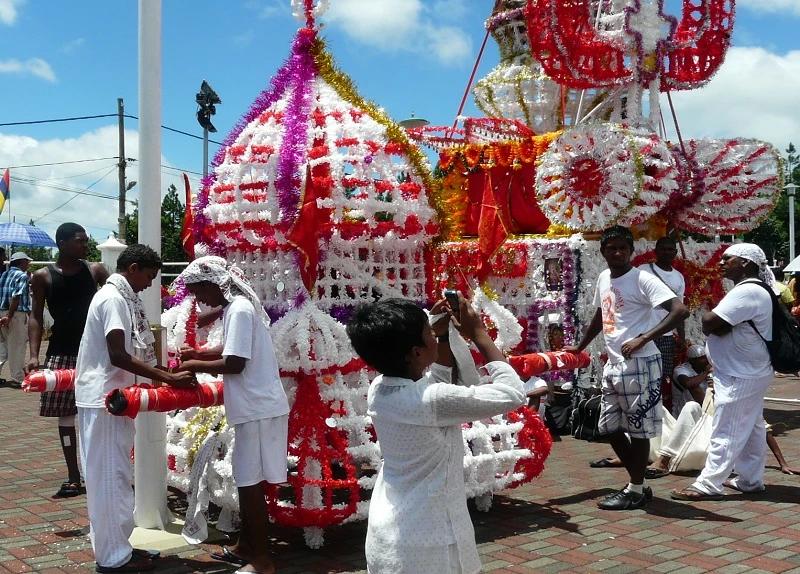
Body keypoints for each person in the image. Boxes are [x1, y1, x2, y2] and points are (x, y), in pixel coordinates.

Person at [346, 295, 525, 573]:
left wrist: (440, 336)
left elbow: (437, 381)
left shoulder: (380, 388)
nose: (433, 332)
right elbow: (513, 393)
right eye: (428, 332)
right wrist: (479, 334)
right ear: (416, 352)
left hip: (390, 534)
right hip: (429, 543)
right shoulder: (432, 401)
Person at [75, 244, 195, 573]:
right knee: (109, 479)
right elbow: (118, 354)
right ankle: (113, 559)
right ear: (133, 269)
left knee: (116, 477)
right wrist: (167, 378)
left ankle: (120, 547)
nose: (150, 284)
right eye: (149, 276)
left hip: (113, 399)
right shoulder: (114, 299)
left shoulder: (118, 296)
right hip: (104, 400)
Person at [177, 256, 289, 574]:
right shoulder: (236, 308)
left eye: (199, 291)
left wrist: (192, 364)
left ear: (213, 283)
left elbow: (235, 363)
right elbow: (232, 350)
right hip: (256, 407)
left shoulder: (238, 309)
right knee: (246, 480)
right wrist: (199, 354)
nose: (200, 299)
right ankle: (247, 547)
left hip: (258, 408)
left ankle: (262, 560)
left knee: (250, 483)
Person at [566, 226, 688, 510]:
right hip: (614, 363)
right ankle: (639, 484)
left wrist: (644, 338)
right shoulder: (604, 277)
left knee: (638, 430)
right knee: (608, 427)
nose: (618, 253)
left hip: (641, 361)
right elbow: (602, 314)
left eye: (623, 248)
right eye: (612, 248)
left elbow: (680, 310)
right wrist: (581, 346)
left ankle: (635, 488)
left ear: (632, 251)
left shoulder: (642, 279)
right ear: (603, 252)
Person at [671, 243, 774, 501]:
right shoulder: (751, 289)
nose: (721, 263)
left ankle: (709, 484)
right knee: (752, 428)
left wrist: (713, 320)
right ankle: (750, 480)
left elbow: (709, 322)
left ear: (746, 263)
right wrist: (719, 324)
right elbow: (719, 324)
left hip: (741, 373)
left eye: (728, 259)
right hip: (748, 370)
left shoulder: (748, 290)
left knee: (726, 427)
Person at [26, 223, 108, 498]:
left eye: (86, 240)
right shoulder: (42, 276)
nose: (85, 245)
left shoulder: (95, 271)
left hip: (95, 351)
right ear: (62, 243)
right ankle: (73, 475)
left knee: (100, 410)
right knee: (66, 414)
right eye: (79, 241)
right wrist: (34, 355)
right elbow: (36, 316)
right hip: (61, 351)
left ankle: (100, 472)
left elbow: (117, 300)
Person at [638, 236, 686, 416]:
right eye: (663, 249)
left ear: (675, 252)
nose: (666, 252)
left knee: (662, 377)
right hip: (642, 334)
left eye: (670, 249)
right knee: (642, 375)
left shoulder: (678, 277)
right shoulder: (643, 271)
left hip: (665, 336)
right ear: (656, 251)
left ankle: (659, 414)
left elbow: (680, 309)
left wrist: (681, 337)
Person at [0, 252, 32, 388]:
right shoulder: (21, 276)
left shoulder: (4, 275)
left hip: (2, 312)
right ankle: (18, 378)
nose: (28, 264)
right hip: (15, 314)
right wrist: (10, 316)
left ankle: (16, 374)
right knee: (17, 347)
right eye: (27, 262)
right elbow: (16, 296)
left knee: (3, 348)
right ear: (21, 262)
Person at [671, 344, 712, 415]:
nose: (706, 360)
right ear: (692, 360)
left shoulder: (705, 368)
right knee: (695, 388)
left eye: (706, 357)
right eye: (702, 358)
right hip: (684, 413)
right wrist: (706, 372)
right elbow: (688, 383)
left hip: (702, 412)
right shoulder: (680, 370)